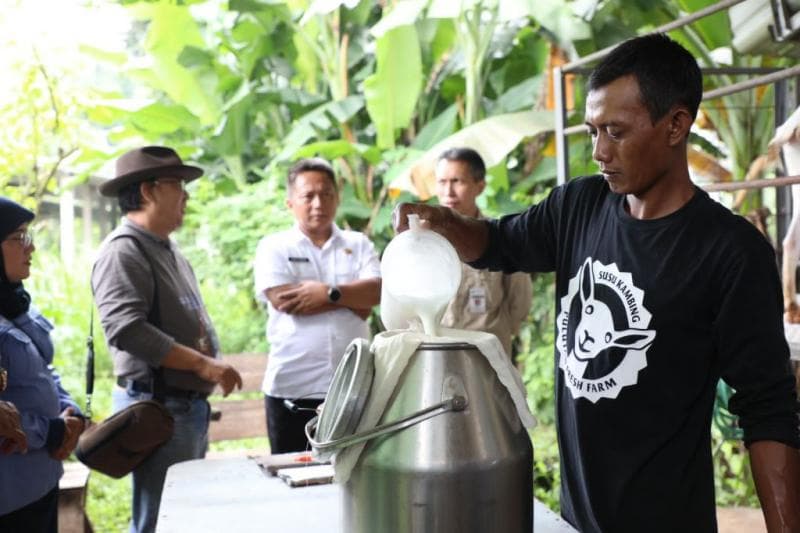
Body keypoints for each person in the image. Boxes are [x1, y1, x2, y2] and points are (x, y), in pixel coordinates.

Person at [394, 34, 800, 532]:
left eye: (616, 131)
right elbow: (498, 244)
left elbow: (768, 409)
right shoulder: (578, 207)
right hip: (576, 521)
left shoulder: (730, 253)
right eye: (591, 132)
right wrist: (443, 223)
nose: (600, 151)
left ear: (676, 125)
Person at [92, 146, 243, 533]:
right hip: (159, 408)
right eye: (177, 185)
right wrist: (201, 363)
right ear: (148, 191)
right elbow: (127, 329)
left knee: (181, 517)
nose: (186, 195)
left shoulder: (167, 249)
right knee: (159, 521)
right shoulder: (123, 251)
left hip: (183, 408)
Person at [253, 157, 381, 453]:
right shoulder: (274, 246)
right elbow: (284, 300)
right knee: (293, 479)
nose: (318, 203)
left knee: (352, 477)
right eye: (308, 196)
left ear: (337, 198)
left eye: (326, 194)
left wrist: (328, 293)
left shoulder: (358, 243)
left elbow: (376, 292)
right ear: (290, 203)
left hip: (353, 388)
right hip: (292, 387)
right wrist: (353, 302)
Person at [0, 196, 86, 532]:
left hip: (42, 482)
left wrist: (70, 411)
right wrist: (49, 431)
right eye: (18, 237)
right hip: (10, 496)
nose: (31, 248)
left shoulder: (14, 301)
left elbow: (41, 367)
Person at [434, 147, 532, 358]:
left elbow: (520, 303)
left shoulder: (500, 238)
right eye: (442, 182)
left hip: (487, 361)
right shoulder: (425, 243)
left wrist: (498, 332)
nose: (448, 192)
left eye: (457, 181)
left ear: (480, 186)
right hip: (436, 357)